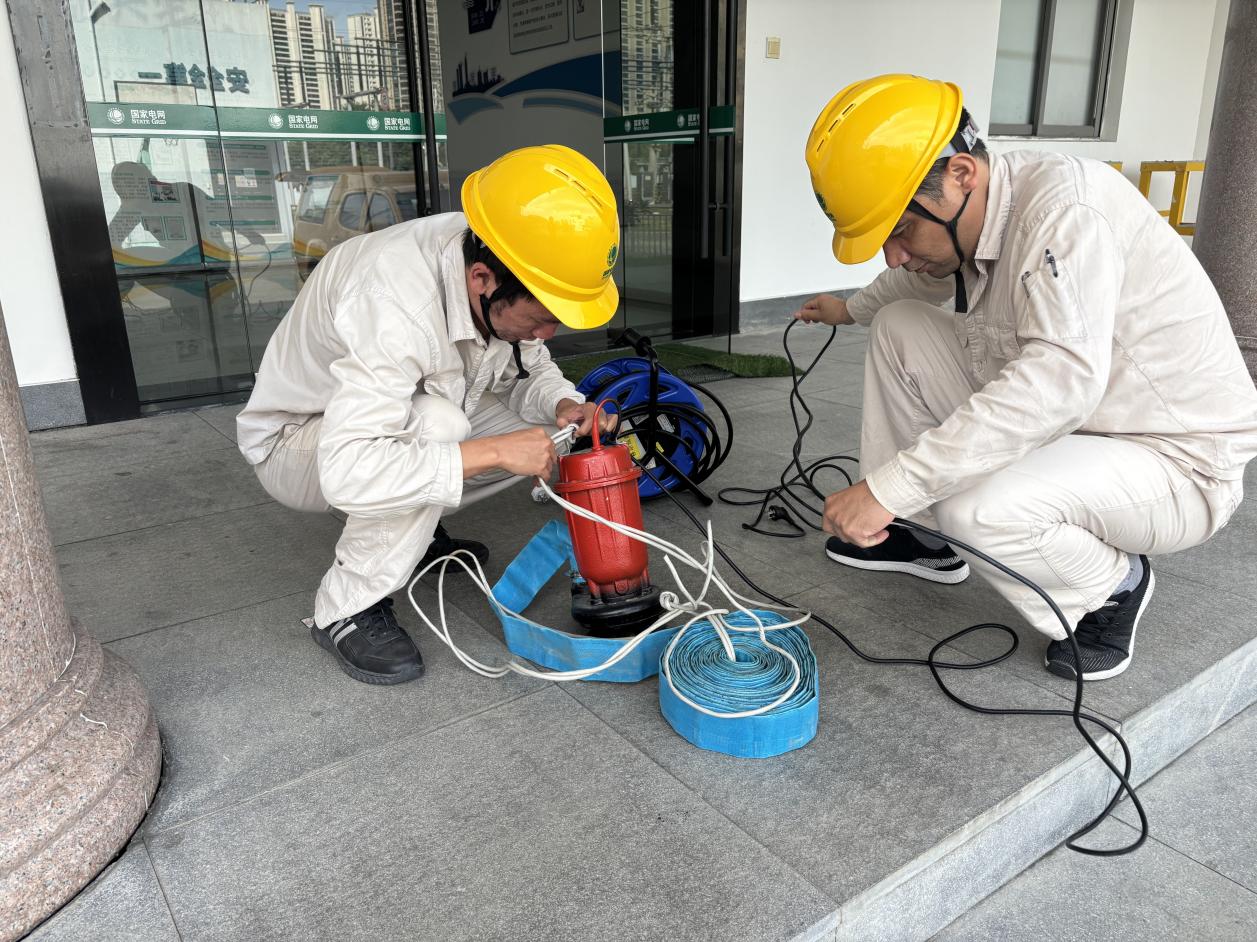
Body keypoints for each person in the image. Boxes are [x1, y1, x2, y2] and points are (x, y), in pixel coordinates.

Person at [794, 74, 1257, 681]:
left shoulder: (1066, 214)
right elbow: (910, 281)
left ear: (961, 174)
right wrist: (848, 310)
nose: (895, 253)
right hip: (1084, 423)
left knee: (973, 507)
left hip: (1175, 460)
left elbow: (1058, 382)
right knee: (900, 325)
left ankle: (1111, 588)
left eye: (900, 231)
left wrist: (886, 488)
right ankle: (923, 538)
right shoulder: (980, 209)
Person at [236, 145, 620, 685]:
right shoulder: (392, 300)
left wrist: (564, 405)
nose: (547, 332)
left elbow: (526, 365)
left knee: (545, 435)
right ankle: (345, 608)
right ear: (482, 279)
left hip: (390, 419)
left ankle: (410, 533)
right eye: (541, 317)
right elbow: (350, 470)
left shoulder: (500, 250)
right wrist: (493, 450)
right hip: (300, 444)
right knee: (443, 428)